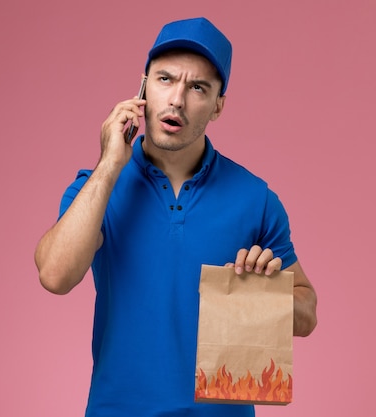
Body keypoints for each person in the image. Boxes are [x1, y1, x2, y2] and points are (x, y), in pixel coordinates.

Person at [35, 16, 317, 417]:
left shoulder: (255, 198)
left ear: (218, 105)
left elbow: (307, 313)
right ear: (143, 87)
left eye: (198, 87)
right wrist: (110, 164)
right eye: (165, 80)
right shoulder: (96, 187)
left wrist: (265, 296)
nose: (177, 100)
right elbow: (55, 275)